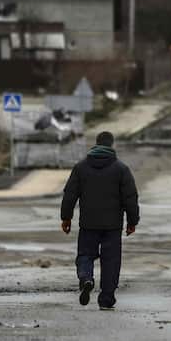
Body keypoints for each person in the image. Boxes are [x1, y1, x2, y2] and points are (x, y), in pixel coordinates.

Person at [61, 131, 140, 310]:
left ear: (96, 144)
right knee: (111, 261)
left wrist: (66, 217)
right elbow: (130, 197)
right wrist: (132, 221)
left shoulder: (81, 167)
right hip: (113, 226)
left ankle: (86, 278)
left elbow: (70, 195)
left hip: (88, 224)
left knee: (85, 255)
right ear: (111, 145)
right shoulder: (121, 169)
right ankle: (106, 299)